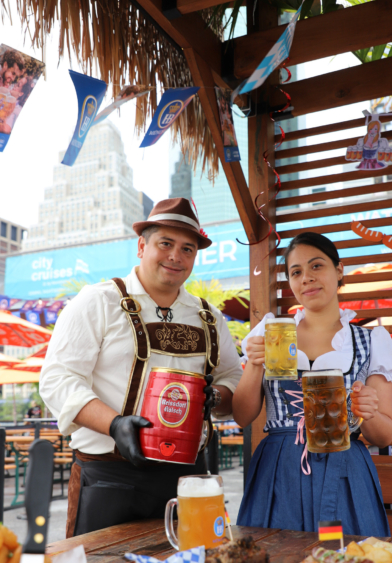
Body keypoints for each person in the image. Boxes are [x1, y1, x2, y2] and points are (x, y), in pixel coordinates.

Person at [39, 198, 242, 537]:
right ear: (141, 246)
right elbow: (58, 379)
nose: (176, 256)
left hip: (189, 478)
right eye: (166, 244)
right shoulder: (98, 301)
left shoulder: (209, 317)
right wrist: (114, 424)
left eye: (188, 249)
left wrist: (216, 394)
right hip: (111, 476)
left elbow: (231, 376)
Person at [234, 232, 392, 536]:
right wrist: (255, 365)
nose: (307, 278)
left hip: (344, 471)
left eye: (316, 266)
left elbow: (384, 436)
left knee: (339, 562)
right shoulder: (272, 332)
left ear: (339, 271)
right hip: (278, 469)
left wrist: (369, 412)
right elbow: (242, 416)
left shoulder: (371, 341)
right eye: (296, 272)